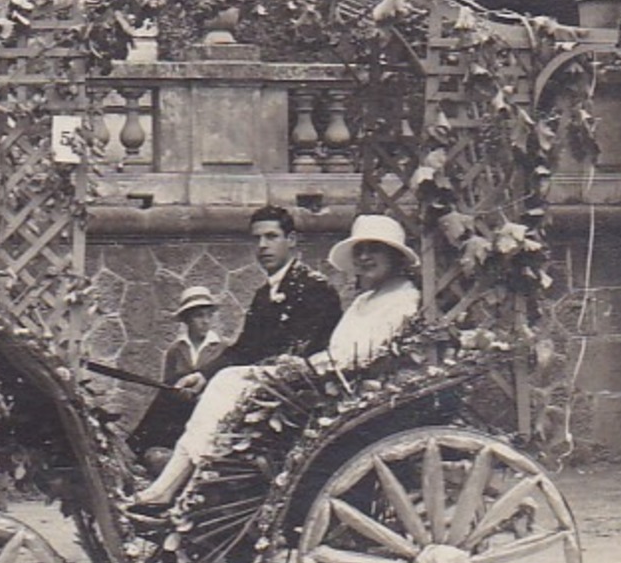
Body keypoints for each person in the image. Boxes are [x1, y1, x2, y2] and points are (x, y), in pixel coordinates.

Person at [130, 214, 421, 510]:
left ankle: (174, 488)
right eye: (359, 250)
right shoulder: (363, 300)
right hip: (323, 373)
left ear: (395, 255)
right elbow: (244, 349)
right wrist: (204, 374)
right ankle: (175, 484)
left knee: (228, 383)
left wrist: (299, 366)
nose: (364, 257)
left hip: (346, 386)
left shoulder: (402, 298)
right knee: (220, 383)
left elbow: (371, 355)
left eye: (374, 249)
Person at [174, 204, 342, 399]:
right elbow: (243, 350)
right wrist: (203, 375)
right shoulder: (263, 295)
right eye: (257, 239)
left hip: (299, 393)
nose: (262, 245)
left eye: (271, 237)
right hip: (264, 383)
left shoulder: (315, 288)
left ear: (291, 240)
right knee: (176, 393)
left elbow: (298, 356)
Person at [128, 286, 226, 459]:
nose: (205, 321)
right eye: (199, 316)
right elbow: (167, 386)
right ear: (187, 319)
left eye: (209, 315)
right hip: (180, 413)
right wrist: (178, 390)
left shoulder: (221, 348)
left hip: (209, 411)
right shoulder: (176, 350)